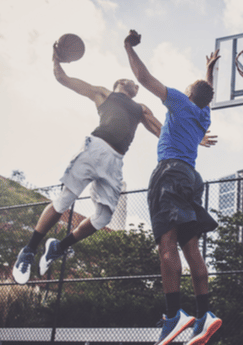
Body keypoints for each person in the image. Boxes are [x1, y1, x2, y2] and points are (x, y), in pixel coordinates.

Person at [12, 42, 163, 285]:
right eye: (132, 82)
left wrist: (191, 137)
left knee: (103, 217)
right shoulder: (103, 93)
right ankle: (28, 250)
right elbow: (63, 79)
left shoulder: (140, 108)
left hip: (115, 161)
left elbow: (161, 130)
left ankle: (58, 247)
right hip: (94, 149)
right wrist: (56, 57)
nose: (137, 85)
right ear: (121, 82)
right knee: (64, 200)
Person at [124, 30, 221, 345]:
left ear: (188, 92)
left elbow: (142, 76)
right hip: (191, 179)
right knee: (191, 248)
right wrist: (209, 70)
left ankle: (173, 314)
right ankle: (204, 314)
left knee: (167, 244)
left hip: (170, 172)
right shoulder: (203, 114)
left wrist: (128, 46)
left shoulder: (181, 101)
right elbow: (208, 93)